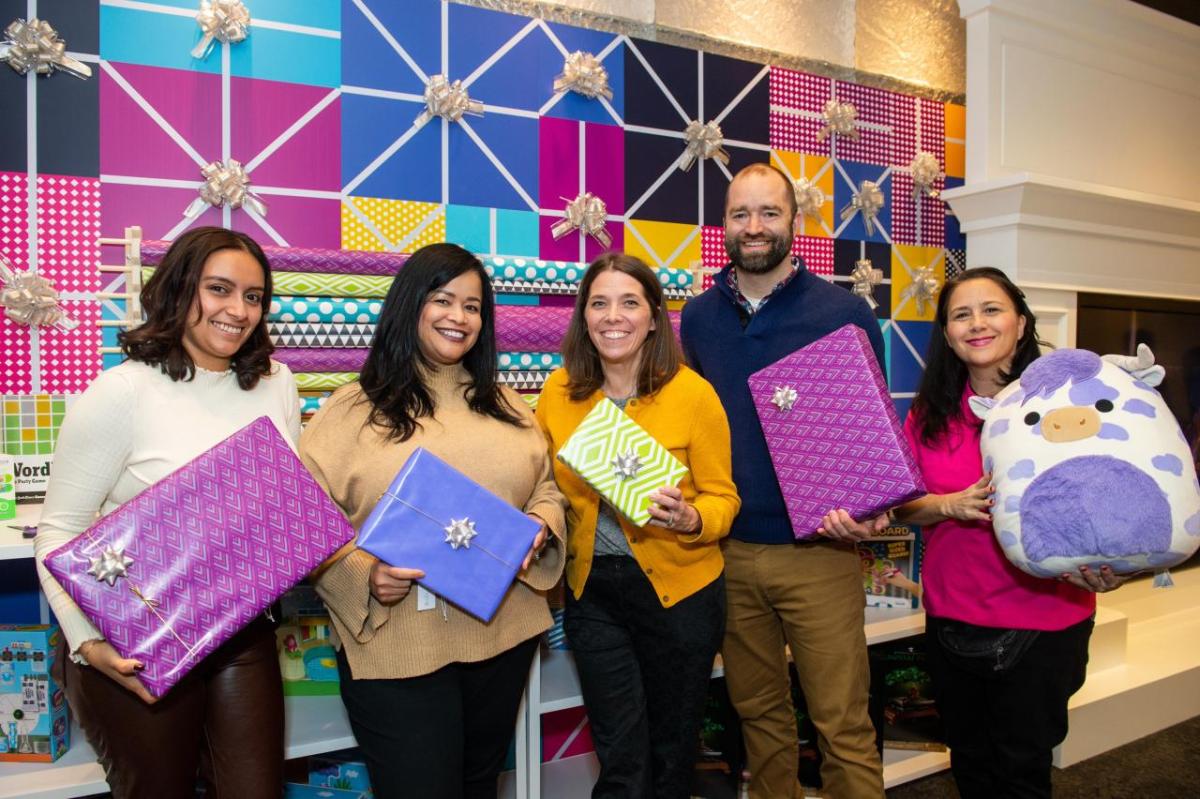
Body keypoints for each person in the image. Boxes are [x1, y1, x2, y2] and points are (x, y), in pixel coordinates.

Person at [33, 226, 299, 797]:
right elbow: (58, 531)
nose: (238, 310)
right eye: (220, 290)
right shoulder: (120, 392)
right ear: (180, 289)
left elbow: (279, 502)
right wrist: (86, 642)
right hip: (132, 638)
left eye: (253, 296)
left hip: (240, 632)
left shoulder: (277, 385)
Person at [299, 243, 566, 799]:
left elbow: (545, 487)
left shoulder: (508, 404)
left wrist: (541, 523)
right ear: (410, 304)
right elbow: (304, 521)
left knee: (476, 786)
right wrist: (363, 574)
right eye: (443, 300)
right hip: (398, 648)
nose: (459, 317)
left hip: (502, 637)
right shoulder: (350, 410)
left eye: (473, 307)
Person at [680, 163, 888, 798]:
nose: (755, 226)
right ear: (724, 225)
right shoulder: (697, 319)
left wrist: (873, 505)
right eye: (741, 214)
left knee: (842, 725)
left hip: (820, 553)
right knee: (759, 719)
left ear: (795, 221)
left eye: (769, 212)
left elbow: (871, 432)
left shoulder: (844, 312)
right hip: (730, 555)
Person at [895, 266, 1123, 798]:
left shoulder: (1068, 407)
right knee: (970, 760)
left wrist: (1114, 564)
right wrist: (948, 504)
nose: (977, 324)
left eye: (991, 309)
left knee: (1022, 769)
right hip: (953, 618)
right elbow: (902, 508)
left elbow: (1104, 496)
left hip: (1044, 623)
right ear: (947, 332)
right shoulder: (930, 414)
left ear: (1021, 323)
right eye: (961, 314)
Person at [536, 253, 740, 798]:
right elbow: (543, 484)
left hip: (681, 593)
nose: (613, 316)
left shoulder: (693, 394)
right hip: (594, 594)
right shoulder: (558, 393)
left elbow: (724, 499)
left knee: (672, 752)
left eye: (629, 302)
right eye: (599, 303)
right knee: (621, 755)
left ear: (654, 316)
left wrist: (692, 516)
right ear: (583, 316)